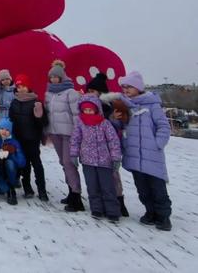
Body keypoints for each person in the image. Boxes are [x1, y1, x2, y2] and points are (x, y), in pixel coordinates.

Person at [117, 71, 172, 231]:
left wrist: (158, 144)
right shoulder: (124, 105)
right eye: (124, 87)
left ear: (138, 88)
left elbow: (163, 126)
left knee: (158, 188)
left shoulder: (152, 105)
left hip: (152, 155)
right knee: (142, 188)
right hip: (134, 155)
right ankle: (150, 212)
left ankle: (163, 217)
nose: (126, 90)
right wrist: (116, 119)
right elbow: (120, 127)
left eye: (129, 87)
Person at [70, 95, 122, 222]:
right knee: (92, 186)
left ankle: (112, 210)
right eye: (85, 110)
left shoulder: (104, 124)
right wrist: (74, 154)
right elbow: (75, 139)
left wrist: (115, 158)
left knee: (107, 187)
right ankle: (96, 208)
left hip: (104, 161)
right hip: (87, 160)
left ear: (96, 109)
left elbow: (113, 141)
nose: (87, 112)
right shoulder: (80, 123)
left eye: (90, 110)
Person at [44, 62, 84, 212]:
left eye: (56, 77)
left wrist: (77, 134)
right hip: (55, 132)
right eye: (51, 77)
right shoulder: (49, 93)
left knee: (69, 162)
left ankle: (76, 195)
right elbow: (48, 113)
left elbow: (76, 114)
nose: (54, 79)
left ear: (62, 77)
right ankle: (70, 191)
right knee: (63, 162)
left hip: (68, 133)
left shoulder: (71, 92)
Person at [91, 73, 130, 217]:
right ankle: (104, 202)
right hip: (94, 147)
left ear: (100, 92)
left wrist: (112, 119)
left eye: (93, 91)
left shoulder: (111, 106)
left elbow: (119, 125)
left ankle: (120, 203)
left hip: (109, 146)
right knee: (99, 176)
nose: (91, 94)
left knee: (113, 175)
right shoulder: (90, 106)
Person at [8, 74, 48, 201]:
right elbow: (11, 120)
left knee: (36, 163)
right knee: (24, 164)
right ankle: (27, 188)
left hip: (32, 138)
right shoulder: (14, 102)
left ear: (28, 86)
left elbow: (43, 123)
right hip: (20, 139)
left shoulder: (36, 101)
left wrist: (40, 116)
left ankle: (42, 190)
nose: (21, 89)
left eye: (24, 86)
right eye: (19, 86)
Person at [0, 118, 26, 205]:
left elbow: (22, 162)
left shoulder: (14, 143)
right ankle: (2, 184)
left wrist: (10, 154)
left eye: (7, 130)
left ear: (11, 131)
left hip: (11, 171)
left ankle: (12, 189)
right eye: (2, 129)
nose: (4, 131)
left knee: (10, 163)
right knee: (1, 190)